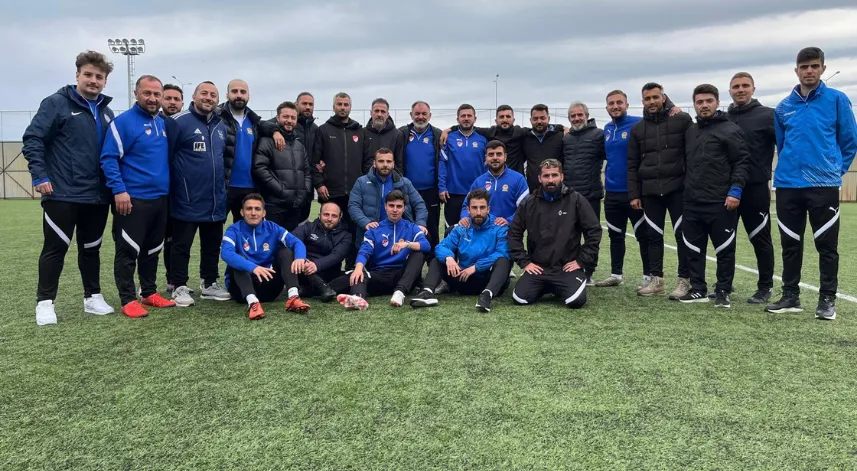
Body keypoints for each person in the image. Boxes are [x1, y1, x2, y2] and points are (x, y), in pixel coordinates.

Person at [23, 50, 116, 325]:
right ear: (77, 75)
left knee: (91, 249)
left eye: (99, 77)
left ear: (105, 81)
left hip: (97, 196)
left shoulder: (107, 112)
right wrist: (39, 175)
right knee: (55, 249)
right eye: (88, 74)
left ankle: (93, 297)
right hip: (61, 193)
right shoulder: (56, 103)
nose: (93, 80)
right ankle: (45, 303)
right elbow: (33, 139)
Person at [767, 47, 857, 320]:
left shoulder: (837, 100)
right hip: (787, 185)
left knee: (826, 245)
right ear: (796, 71)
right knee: (790, 244)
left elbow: (849, 141)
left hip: (823, 187)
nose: (809, 71)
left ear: (822, 69)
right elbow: (782, 144)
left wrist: (835, 170)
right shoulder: (783, 107)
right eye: (804, 67)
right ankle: (790, 296)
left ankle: (827, 299)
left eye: (814, 66)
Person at [100, 75, 176, 318]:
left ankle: (149, 292)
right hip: (132, 200)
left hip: (160, 199)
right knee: (128, 251)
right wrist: (119, 190)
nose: (152, 98)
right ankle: (128, 298)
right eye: (147, 93)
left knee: (153, 249)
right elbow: (109, 158)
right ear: (136, 93)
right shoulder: (123, 122)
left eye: (156, 94)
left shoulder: (163, 124)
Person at [680, 84, 751, 308]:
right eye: (699, 102)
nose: (704, 105)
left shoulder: (730, 129)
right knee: (693, 249)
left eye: (708, 101)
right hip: (692, 202)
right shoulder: (690, 131)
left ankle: (723, 290)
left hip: (721, 201)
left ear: (717, 103)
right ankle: (698, 289)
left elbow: (742, 161)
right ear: (694, 105)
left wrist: (735, 190)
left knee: (724, 250)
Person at [628, 82, 693, 299]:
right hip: (650, 191)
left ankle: (685, 280)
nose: (652, 102)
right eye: (647, 99)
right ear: (642, 102)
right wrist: (634, 194)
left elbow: (691, 154)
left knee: (682, 235)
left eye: (656, 97)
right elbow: (632, 164)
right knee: (653, 236)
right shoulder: (637, 129)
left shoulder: (681, 120)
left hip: (678, 189)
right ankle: (657, 280)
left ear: (664, 98)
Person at [508, 159, 601, 308]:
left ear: (562, 176)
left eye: (554, 175)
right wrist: (525, 262)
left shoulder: (576, 200)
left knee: (576, 301)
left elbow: (594, 231)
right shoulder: (529, 203)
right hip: (539, 268)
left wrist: (581, 261)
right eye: (546, 176)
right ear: (539, 178)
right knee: (520, 299)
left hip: (565, 268)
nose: (550, 180)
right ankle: (545, 286)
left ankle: (568, 282)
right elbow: (514, 233)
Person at [169, 81, 230, 307]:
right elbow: (165, 157)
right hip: (186, 198)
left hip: (215, 199)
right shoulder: (178, 122)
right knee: (181, 245)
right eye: (204, 93)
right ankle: (178, 286)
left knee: (212, 245)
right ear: (194, 97)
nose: (208, 98)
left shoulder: (221, 126)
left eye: (213, 95)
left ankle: (209, 283)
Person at [410, 188, 512, 312]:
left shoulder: (499, 227)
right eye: (474, 208)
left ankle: (487, 295)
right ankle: (427, 292)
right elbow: (441, 247)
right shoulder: (462, 227)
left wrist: (476, 267)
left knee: (504, 260)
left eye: (482, 207)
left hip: (487, 279)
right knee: (439, 259)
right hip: (463, 278)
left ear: (488, 209)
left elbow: (503, 252)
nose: (478, 212)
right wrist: (449, 258)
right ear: (468, 209)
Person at [726, 72, 777, 304]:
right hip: (726, 190)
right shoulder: (723, 118)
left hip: (755, 188)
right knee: (725, 239)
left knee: (760, 238)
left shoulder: (767, 115)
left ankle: (765, 286)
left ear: (753, 89)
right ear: (730, 91)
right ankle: (725, 283)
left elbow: (786, 145)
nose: (740, 90)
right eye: (736, 86)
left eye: (745, 85)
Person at [332, 190, 430, 309]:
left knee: (419, 254)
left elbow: (426, 245)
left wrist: (406, 244)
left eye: (399, 206)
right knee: (358, 274)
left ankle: (400, 292)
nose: (395, 210)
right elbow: (364, 250)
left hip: (404, 275)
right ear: (385, 207)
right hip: (380, 275)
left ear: (404, 208)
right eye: (391, 206)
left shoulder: (411, 227)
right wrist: (358, 268)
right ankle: (358, 298)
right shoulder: (375, 229)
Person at [220, 193, 311, 319]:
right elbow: (226, 253)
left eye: (257, 209)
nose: (253, 213)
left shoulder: (273, 228)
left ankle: (293, 297)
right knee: (239, 258)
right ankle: (253, 303)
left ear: (264, 213)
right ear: (242, 212)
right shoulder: (234, 230)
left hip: (268, 288)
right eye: (249, 209)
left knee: (285, 252)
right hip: (241, 291)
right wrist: (253, 268)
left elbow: (296, 242)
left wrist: (300, 257)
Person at [595, 90, 650, 289]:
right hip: (612, 193)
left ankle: (648, 277)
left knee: (643, 235)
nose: (615, 106)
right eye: (611, 103)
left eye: (619, 102)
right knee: (615, 235)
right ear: (607, 107)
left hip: (634, 192)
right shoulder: (607, 129)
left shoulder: (639, 123)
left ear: (627, 105)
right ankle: (616, 275)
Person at [313, 92, 367, 266]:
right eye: (339, 104)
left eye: (346, 104)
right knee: (330, 231)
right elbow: (315, 161)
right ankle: (330, 268)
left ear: (350, 107)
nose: (342, 107)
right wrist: (319, 183)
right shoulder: (323, 130)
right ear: (333, 106)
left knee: (354, 231)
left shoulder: (359, 131)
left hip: (355, 193)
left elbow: (366, 161)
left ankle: (352, 267)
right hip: (331, 192)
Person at [216, 79, 282, 222]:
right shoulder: (216, 117)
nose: (239, 95)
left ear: (248, 96)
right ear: (227, 95)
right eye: (234, 91)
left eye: (243, 92)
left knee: (246, 230)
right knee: (214, 228)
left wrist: (275, 131)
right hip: (223, 187)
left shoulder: (253, 121)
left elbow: (266, 125)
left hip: (249, 188)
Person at [348, 148, 428, 253]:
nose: (385, 164)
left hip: (400, 237)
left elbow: (419, 204)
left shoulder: (404, 183)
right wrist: (366, 222)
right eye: (381, 161)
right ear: (374, 163)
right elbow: (353, 206)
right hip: (373, 236)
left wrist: (420, 223)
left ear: (393, 164)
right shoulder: (361, 182)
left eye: (388, 161)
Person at [562, 101, 606, 283]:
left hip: (591, 195)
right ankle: (570, 268)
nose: (576, 118)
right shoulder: (566, 138)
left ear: (587, 116)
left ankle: (589, 271)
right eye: (573, 116)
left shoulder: (599, 135)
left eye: (580, 115)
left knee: (591, 235)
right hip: (569, 195)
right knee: (569, 234)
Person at [252, 101, 311, 231]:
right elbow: (259, 168)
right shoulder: (267, 141)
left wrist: (304, 190)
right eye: (286, 117)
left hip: (295, 206)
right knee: (272, 242)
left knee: (289, 242)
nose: (289, 120)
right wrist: (281, 190)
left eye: (293, 118)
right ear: (277, 118)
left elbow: (306, 171)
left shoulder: (299, 145)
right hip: (274, 206)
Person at [399, 100, 443, 257]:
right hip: (407, 191)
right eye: (417, 114)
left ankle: (432, 262)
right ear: (411, 115)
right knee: (408, 227)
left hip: (431, 191)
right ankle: (410, 262)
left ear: (430, 116)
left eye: (424, 114)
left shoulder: (437, 134)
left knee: (431, 228)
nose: (420, 117)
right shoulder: (402, 134)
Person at [439, 104, 487, 234]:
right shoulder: (449, 138)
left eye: (469, 116)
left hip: (476, 193)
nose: (466, 118)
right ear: (457, 119)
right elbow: (443, 164)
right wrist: (442, 187)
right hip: (453, 193)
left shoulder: (483, 139)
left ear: (475, 118)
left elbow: (486, 167)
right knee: (452, 230)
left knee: (475, 230)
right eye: (463, 116)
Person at [291, 202, 352, 301]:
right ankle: (322, 288)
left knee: (354, 276)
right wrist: (302, 259)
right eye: (326, 214)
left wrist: (316, 265)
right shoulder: (308, 227)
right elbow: (292, 239)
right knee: (288, 252)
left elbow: (337, 255)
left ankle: (310, 291)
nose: (329, 219)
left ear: (340, 218)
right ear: (319, 215)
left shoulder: (346, 235)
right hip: (304, 271)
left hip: (329, 273)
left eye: (334, 216)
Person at [458, 140, 528, 226]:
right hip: (483, 230)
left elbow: (525, 207)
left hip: (509, 229)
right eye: (491, 154)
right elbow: (466, 206)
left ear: (505, 157)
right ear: (486, 157)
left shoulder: (518, 179)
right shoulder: (479, 182)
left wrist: (509, 221)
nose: (495, 158)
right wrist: (465, 217)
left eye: (499, 154)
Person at [159, 84, 183, 292]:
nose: (172, 102)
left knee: (173, 239)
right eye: (168, 98)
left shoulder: (184, 124)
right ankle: (145, 284)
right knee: (150, 239)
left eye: (176, 99)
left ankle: (172, 279)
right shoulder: (154, 123)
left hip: (177, 193)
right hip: (154, 192)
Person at [520, 104, 566, 191]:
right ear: (530, 120)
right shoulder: (525, 138)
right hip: (533, 191)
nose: (539, 121)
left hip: (556, 189)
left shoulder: (560, 137)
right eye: (535, 119)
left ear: (548, 118)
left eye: (542, 118)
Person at [294, 92, 318, 224]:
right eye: (304, 103)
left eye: (310, 104)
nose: (307, 107)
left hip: (308, 187)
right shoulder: (287, 124)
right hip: (286, 186)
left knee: (302, 223)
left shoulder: (316, 129)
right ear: (296, 104)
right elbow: (264, 125)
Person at [362, 98, 404, 173]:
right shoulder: (362, 133)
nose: (379, 114)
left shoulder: (397, 135)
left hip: (389, 178)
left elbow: (399, 163)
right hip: (367, 178)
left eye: (383, 111)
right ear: (371, 113)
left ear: (387, 115)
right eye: (376, 111)